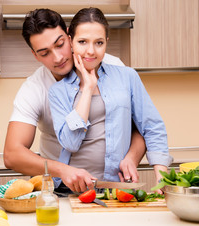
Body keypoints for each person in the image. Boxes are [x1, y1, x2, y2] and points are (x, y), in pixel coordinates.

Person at [3, 8, 147, 193]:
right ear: (35, 55)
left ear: (70, 37)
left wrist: (131, 158)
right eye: (44, 52)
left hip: (114, 186)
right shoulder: (34, 88)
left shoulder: (113, 67)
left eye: (60, 44)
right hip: (60, 189)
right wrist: (62, 170)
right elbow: (12, 154)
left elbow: (141, 126)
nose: (58, 57)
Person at [48, 7, 173, 190]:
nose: (91, 51)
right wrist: (89, 88)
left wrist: (162, 176)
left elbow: (151, 126)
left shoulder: (127, 77)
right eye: (82, 41)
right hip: (71, 191)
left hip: (117, 187)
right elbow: (71, 143)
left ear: (106, 42)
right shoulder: (58, 91)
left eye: (98, 43)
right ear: (70, 41)